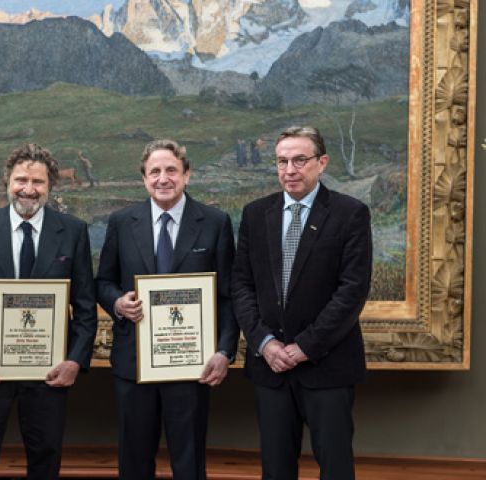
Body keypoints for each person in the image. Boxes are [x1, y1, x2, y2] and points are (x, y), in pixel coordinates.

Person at [231, 126, 372, 480]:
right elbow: (242, 285)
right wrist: (265, 343)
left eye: (299, 160)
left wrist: (303, 347)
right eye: (282, 161)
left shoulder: (349, 213)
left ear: (321, 163)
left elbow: (351, 291)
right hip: (271, 368)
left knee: (336, 466)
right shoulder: (254, 214)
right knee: (276, 468)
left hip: (326, 366)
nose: (290, 170)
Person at [0, 143, 97, 479]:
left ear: (50, 186)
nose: (28, 189)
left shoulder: (73, 231)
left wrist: (75, 360)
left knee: (45, 459)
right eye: (21, 180)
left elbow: (86, 306)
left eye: (38, 182)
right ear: (7, 182)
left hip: (50, 373)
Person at [96, 139, 239, 479]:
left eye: (171, 170)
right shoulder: (121, 222)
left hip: (191, 366)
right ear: (144, 178)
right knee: (134, 463)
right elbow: (102, 282)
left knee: (189, 464)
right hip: (134, 365)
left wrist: (224, 351)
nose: (163, 178)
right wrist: (117, 302)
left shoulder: (215, 222)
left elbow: (229, 295)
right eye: (154, 171)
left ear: (186, 175)